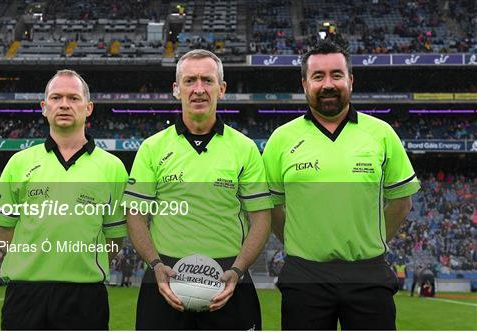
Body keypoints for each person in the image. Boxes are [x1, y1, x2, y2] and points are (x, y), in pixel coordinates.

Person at [262, 38, 421, 330]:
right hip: (304, 274)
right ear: (304, 84)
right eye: (318, 76)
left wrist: (373, 238)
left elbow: (401, 201)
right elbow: (271, 205)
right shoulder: (281, 139)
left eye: (336, 75)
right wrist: (300, 242)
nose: (328, 84)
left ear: (350, 79)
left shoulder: (381, 134)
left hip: (368, 273)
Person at [124, 49, 273, 330]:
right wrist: (156, 265)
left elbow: (261, 219)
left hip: (230, 277)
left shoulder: (244, 148)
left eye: (207, 80)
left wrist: (238, 269)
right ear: (176, 89)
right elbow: (135, 215)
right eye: (190, 81)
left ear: (222, 88)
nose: (199, 89)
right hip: (164, 278)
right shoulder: (152, 148)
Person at [0, 69, 128, 330]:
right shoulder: (19, 163)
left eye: (73, 98)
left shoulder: (113, 168)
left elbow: (114, 239)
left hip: (85, 296)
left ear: (88, 108)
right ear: (44, 107)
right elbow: (4, 230)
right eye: (56, 97)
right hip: (25, 295)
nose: (64, 104)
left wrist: (80, 263)